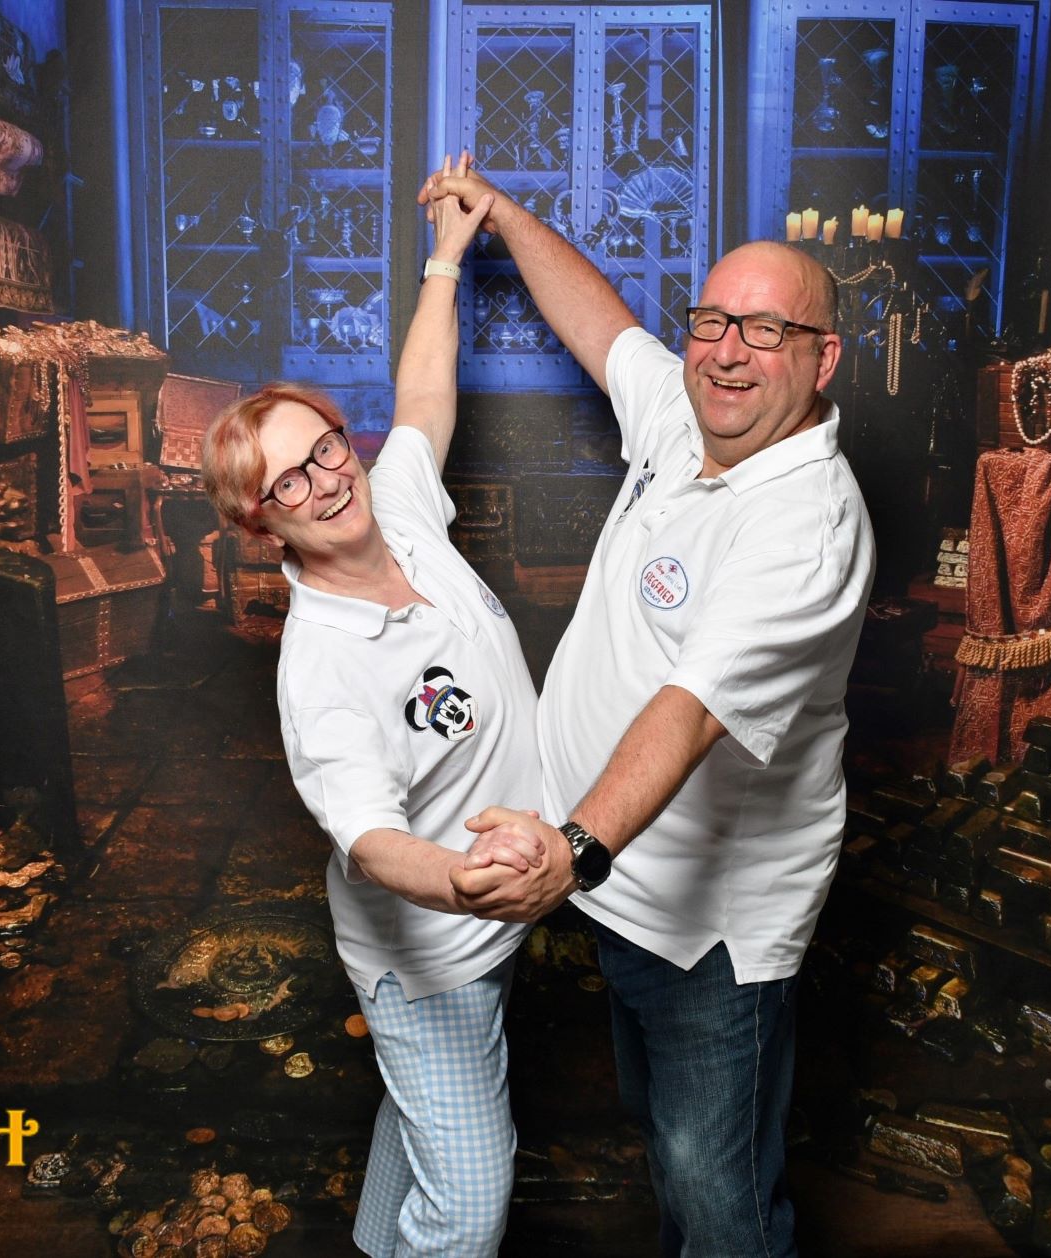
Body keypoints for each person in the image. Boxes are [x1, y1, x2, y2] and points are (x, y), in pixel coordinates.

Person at [420, 166, 876, 1257]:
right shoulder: (688, 413)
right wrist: (504, 216)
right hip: (621, 889)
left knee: (716, 1192)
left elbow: (691, 708)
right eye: (713, 321)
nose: (728, 352)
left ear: (823, 358)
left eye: (767, 331)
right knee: (667, 1148)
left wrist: (574, 848)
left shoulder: (804, 525)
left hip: (707, 929)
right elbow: (603, 324)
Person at [202, 156, 547, 1258]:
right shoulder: (320, 671)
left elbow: (424, 397)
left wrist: (446, 258)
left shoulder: (397, 507)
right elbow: (370, 839)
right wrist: (468, 882)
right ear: (262, 525)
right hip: (433, 954)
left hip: (493, 925)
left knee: (419, 1117)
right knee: (472, 1200)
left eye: (324, 449)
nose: (325, 481)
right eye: (289, 482)